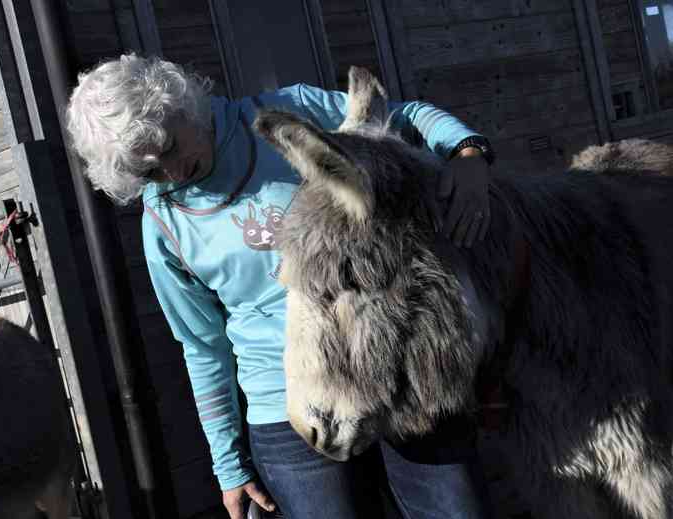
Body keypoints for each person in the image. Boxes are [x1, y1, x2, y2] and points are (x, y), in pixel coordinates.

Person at [66, 53, 493, 519]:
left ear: (179, 105)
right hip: (289, 410)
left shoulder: (286, 116)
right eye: (147, 171)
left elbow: (403, 117)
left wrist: (467, 154)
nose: (170, 173)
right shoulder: (164, 226)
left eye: (167, 146)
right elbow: (202, 346)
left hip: (396, 366)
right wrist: (229, 467)